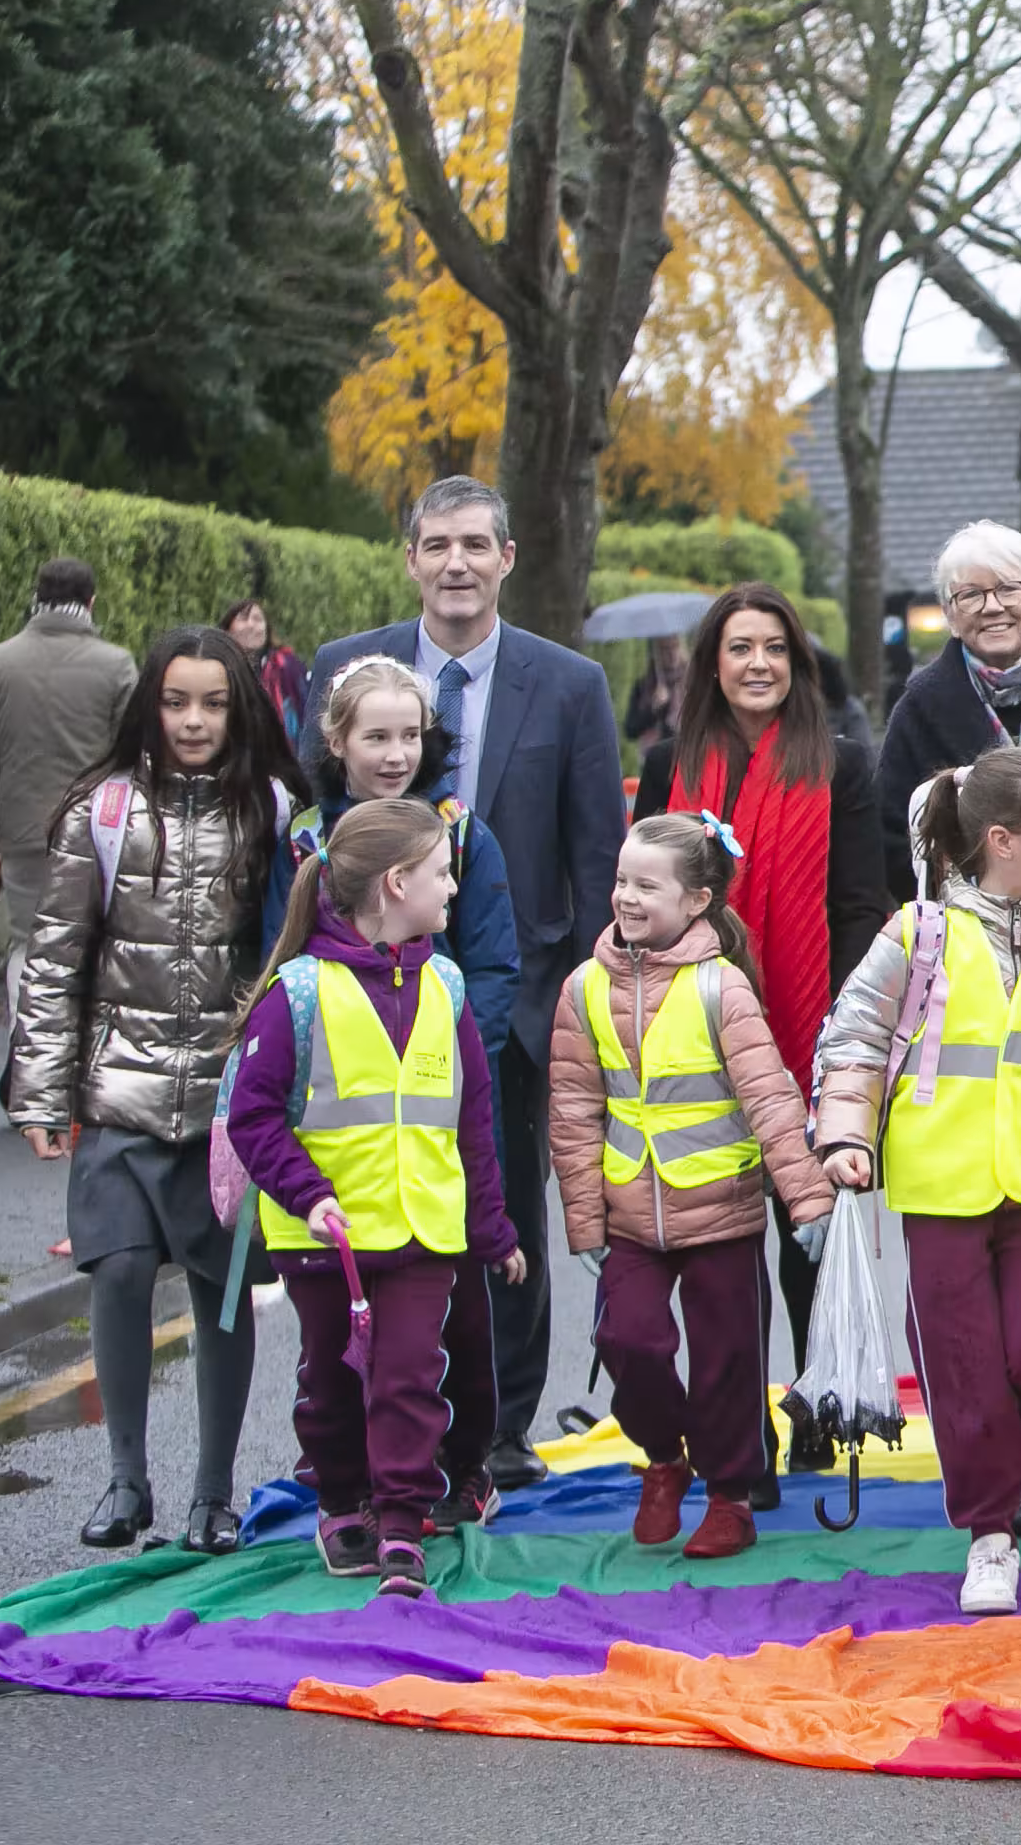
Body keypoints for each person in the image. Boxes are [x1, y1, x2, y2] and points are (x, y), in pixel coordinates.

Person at [307, 475, 626, 1492]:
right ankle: (374, 1422)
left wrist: (582, 1009)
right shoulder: (341, 670)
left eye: (474, 545)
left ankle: (499, 1427)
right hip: (359, 1010)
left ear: (506, 558)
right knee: (374, 1218)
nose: (455, 564)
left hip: (514, 1004)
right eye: (436, 544)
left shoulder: (568, 684)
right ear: (409, 558)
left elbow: (593, 854)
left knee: (503, 1220)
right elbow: (314, 836)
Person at [813, 746, 1021, 1617]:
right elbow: (853, 1042)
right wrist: (845, 1137)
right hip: (940, 1184)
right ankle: (988, 1534)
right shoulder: (915, 934)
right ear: (1002, 839)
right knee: (963, 1371)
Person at [7, 625, 298, 1556]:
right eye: (177, 701)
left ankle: (214, 1496)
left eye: (214, 702)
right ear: (150, 704)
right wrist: (42, 1093)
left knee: (221, 1294)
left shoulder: (276, 810)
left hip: (227, 1107)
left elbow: (298, 956)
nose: (194, 720)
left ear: (241, 706)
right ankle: (126, 1480)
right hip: (118, 1096)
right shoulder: (104, 810)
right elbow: (54, 962)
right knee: (121, 1269)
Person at [226, 797, 524, 1599]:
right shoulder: (294, 993)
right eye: (440, 873)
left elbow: (473, 1120)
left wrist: (493, 1230)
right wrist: (310, 1195)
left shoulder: (448, 986)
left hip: (424, 1232)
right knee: (329, 1381)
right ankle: (339, 1498)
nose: (453, 888)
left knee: (407, 1377)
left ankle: (401, 1524)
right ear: (396, 884)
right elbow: (253, 1121)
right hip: (326, 1237)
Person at [639, 580, 888, 1475]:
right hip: (691, 1032)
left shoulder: (843, 765)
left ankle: (816, 1394)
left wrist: (845, 1030)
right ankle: (735, 1434)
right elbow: (640, 897)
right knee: (720, 1245)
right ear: (714, 660)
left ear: (799, 662)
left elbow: (862, 902)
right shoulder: (672, 764)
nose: (759, 665)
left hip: (809, 1026)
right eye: (741, 648)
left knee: (804, 1230)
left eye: (776, 649)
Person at [550, 812, 835, 1563]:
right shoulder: (582, 990)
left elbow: (773, 1100)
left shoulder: (723, 990)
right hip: (631, 1215)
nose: (627, 898)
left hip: (723, 1211)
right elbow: (574, 1112)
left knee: (727, 1364)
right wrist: (584, 1223)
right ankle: (666, 1457)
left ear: (697, 901)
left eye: (648, 885)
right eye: (621, 881)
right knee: (627, 1339)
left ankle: (730, 1495)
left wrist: (805, 1202)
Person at [266, 657, 523, 1087]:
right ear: (336, 741)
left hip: (439, 1079)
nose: (396, 756)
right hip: (333, 1078)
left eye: (410, 736)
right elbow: (279, 959)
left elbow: (493, 970)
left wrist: (451, 1057)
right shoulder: (305, 841)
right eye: (377, 738)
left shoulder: (460, 833)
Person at [874, 523, 1021, 902]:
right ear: (950, 615)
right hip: (972, 928)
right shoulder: (921, 708)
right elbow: (891, 834)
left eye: (1008, 588)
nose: (992, 606)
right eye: (970, 595)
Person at [0, 557, 135, 1027]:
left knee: (27, 942)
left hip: (22, 833)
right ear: (91, 603)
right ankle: (82, 1048)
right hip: (100, 834)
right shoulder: (116, 666)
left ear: (36, 598)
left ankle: (27, 1047)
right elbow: (134, 759)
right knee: (95, 940)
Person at [223, 599, 309, 740]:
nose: (251, 625)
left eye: (257, 619)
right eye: (243, 618)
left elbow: (305, 713)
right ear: (228, 628)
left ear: (267, 630)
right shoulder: (214, 668)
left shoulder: (288, 667)